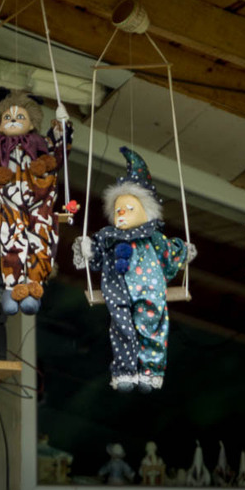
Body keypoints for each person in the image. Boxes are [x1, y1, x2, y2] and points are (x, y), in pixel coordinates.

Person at [73, 147, 195, 392]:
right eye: (118, 209)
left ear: (146, 211)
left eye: (129, 208)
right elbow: (96, 259)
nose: (121, 213)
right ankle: (125, 371)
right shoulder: (108, 237)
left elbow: (169, 252)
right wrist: (88, 250)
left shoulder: (153, 237)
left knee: (151, 326)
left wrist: (183, 252)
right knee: (121, 329)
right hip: (117, 290)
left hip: (149, 290)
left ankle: (151, 370)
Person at [0, 87, 71, 315]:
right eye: (7, 117)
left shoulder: (41, 144)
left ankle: (34, 284)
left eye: (20, 117)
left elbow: (59, 151)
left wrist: (62, 127)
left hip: (39, 201)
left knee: (40, 239)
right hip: (10, 203)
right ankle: (12, 286)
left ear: (32, 123)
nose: (13, 120)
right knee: (11, 240)